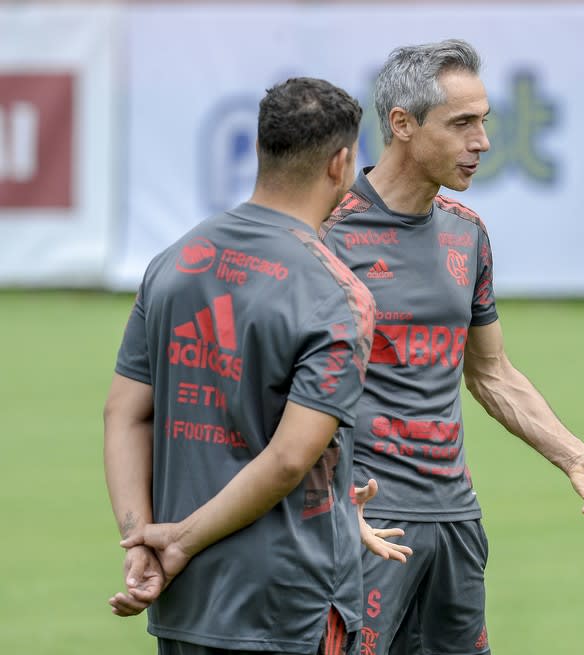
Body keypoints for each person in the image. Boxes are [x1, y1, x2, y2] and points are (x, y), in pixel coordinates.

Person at [318, 39, 584, 655]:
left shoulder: (467, 235)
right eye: (462, 123)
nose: (483, 141)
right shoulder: (327, 234)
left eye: (484, 122)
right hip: (364, 523)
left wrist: (573, 456)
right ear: (402, 125)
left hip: (455, 520)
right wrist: (329, 503)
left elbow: (491, 372)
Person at [104, 77, 410, 655]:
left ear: (259, 150)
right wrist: (178, 541)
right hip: (286, 602)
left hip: (188, 600)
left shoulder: (174, 263)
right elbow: (291, 457)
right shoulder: (337, 294)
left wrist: (139, 538)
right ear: (341, 163)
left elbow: (123, 414)